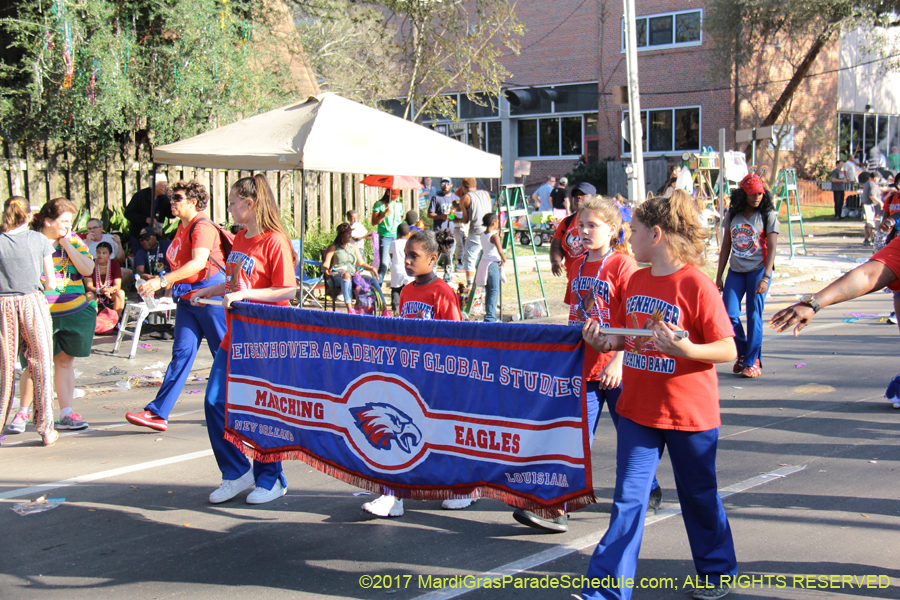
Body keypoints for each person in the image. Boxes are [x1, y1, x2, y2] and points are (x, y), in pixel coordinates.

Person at [580, 193, 739, 600]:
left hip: (689, 414)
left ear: (657, 233)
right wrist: (601, 342)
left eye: (633, 231)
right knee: (628, 501)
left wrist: (689, 351)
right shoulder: (636, 279)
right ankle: (605, 592)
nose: (628, 239)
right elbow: (625, 336)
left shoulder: (696, 285)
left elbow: (728, 350)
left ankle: (716, 572)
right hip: (637, 410)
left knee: (699, 497)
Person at [191, 174, 296, 505]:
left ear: (250, 205)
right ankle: (236, 472)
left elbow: (287, 288)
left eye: (234, 202)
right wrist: (211, 289)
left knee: (260, 410)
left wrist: (247, 293)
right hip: (235, 336)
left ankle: (271, 478)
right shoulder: (239, 239)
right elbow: (235, 282)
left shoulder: (274, 240)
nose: (230, 207)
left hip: (266, 339)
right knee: (215, 402)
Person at [362, 229, 470, 517]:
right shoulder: (407, 290)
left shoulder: (443, 292)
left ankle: (463, 489)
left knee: (444, 436)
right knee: (398, 432)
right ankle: (392, 495)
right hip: (410, 378)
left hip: (439, 380)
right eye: (405, 255)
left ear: (433, 259)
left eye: (414, 256)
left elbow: (455, 340)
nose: (407, 261)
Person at [124, 180, 227, 432]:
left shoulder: (202, 226)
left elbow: (197, 263)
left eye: (177, 198)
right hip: (188, 298)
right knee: (181, 355)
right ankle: (158, 412)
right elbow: (179, 266)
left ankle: (243, 410)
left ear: (192, 202)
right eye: (172, 197)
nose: (172, 201)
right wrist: (160, 284)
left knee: (224, 356)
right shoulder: (182, 227)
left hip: (209, 298)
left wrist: (162, 282)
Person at [18, 198, 97, 432]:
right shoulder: (30, 241)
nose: (67, 226)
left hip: (71, 309)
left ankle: (66, 412)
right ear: (47, 221)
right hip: (40, 311)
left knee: (64, 361)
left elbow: (87, 269)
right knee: (34, 365)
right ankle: (23, 413)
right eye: (63, 222)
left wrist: (68, 244)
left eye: (69, 222)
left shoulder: (72, 239)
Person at [1, 197, 57, 445]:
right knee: (41, 362)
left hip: (2, 304)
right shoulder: (38, 240)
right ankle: (46, 428)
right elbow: (52, 283)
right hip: (32, 301)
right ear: (28, 215)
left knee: (4, 367)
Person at [715, 175, 779, 379]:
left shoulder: (767, 215)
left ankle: (753, 361)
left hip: (758, 270)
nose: (757, 197)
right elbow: (726, 246)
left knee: (754, 315)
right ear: (743, 194)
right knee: (728, 314)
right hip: (736, 270)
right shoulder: (733, 214)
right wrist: (719, 276)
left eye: (760, 193)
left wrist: (766, 277)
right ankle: (742, 352)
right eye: (752, 194)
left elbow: (773, 248)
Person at [323, 222, 378, 312]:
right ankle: (350, 308)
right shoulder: (333, 247)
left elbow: (361, 263)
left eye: (350, 233)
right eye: (348, 233)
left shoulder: (353, 246)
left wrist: (372, 268)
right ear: (341, 235)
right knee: (346, 275)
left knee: (368, 279)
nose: (350, 235)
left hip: (352, 276)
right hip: (337, 276)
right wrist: (326, 269)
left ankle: (368, 306)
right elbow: (326, 263)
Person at [549, 182, 595, 277]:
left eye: (582, 194)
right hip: (572, 279)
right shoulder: (567, 222)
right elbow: (555, 246)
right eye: (575, 195)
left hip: (595, 278)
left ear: (593, 198)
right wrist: (555, 261)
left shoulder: (601, 222)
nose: (578, 197)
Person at [124, 177, 173, 252]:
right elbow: (128, 213)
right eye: (163, 186)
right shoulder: (140, 196)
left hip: (155, 235)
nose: (166, 188)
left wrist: (172, 201)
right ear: (154, 186)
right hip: (139, 235)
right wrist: (145, 219)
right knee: (140, 257)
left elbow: (171, 215)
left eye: (167, 186)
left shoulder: (164, 198)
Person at [459, 178, 492, 289]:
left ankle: (470, 286)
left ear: (463, 187)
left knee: (470, 258)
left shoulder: (466, 198)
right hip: (490, 230)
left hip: (476, 231)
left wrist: (454, 219)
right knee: (487, 257)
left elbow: (465, 219)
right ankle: (486, 283)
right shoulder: (486, 194)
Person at [475, 213, 505, 323]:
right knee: (494, 291)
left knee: (489, 291)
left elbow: (490, 240)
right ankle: (491, 317)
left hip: (484, 264)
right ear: (493, 223)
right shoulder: (494, 236)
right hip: (493, 264)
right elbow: (500, 250)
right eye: (497, 221)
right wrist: (504, 259)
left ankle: (489, 314)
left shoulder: (483, 234)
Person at [85, 241, 126, 320]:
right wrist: (100, 290)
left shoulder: (114, 264)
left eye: (104, 253)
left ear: (109, 255)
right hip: (95, 292)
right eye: (99, 252)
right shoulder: (91, 264)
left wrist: (109, 290)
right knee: (88, 295)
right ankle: (93, 322)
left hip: (110, 293)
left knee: (120, 293)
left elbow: (117, 285)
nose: (101, 255)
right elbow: (89, 286)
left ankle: (115, 321)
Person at [428, 178, 459, 282]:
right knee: (435, 257)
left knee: (449, 258)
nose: (445, 186)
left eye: (447, 183)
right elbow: (430, 214)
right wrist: (441, 216)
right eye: (443, 183)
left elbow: (458, 214)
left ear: (451, 185)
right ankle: (433, 279)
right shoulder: (436, 198)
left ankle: (448, 279)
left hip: (450, 234)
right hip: (438, 233)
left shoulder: (456, 198)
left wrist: (453, 216)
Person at [371, 189, 404, 285]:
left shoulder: (399, 205)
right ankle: (378, 288)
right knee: (384, 265)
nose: (396, 196)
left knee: (399, 263)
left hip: (398, 237)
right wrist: (385, 214)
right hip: (385, 237)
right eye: (394, 194)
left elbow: (400, 219)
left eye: (398, 194)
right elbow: (374, 222)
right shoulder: (379, 204)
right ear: (388, 193)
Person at [389, 223, 414, 313]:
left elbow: (391, 255)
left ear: (397, 233)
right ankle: (408, 307)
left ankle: (396, 307)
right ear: (408, 233)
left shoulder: (394, 243)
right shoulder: (410, 243)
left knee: (396, 289)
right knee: (409, 289)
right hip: (408, 268)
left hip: (396, 269)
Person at [861, 170, 885, 247]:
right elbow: (872, 196)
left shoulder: (867, 183)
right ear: (875, 178)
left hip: (866, 205)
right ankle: (872, 238)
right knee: (871, 223)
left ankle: (866, 239)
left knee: (867, 223)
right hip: (870, 206)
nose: (879, 180)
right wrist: (880, 202)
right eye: (878, 178)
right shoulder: (872, 184)